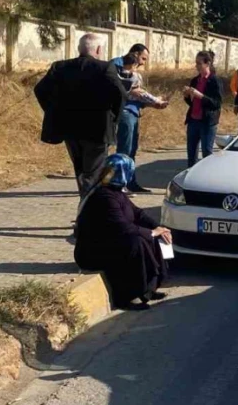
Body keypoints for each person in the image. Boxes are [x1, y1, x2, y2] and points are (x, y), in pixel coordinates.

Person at [35, 33, 126, 200]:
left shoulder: (60, 67)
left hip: (70, 130)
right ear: (98, 49)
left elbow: (40, 90)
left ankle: (86, 211)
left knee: (81, 172)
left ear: (79, 48)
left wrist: (53, 112)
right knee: (93, 175)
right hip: (97, 131)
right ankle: (88, 215)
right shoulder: (105, 68)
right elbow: (120, 95)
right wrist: (114, 119)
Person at [74, 154, 170, 311]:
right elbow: (122, 228)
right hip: (92, 252)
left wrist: (160, 228)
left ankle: (147, 290)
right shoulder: (104, 196)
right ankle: (124, 298)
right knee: (136, 242)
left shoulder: (116, 192)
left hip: (109, 242)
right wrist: (151, 232)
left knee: (147, 238)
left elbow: (138, 214)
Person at [114, 54, 167, 193]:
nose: (142, 64)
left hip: (133, 113)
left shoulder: (122, 72)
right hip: (126, 114)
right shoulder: (125, 74)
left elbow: (137, 98)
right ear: (133, 62)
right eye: (141, 60)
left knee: (130, 150)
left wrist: (153, 103)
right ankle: (120, 184)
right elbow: (138, 93)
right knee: (124, 151)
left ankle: (129, 182)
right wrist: (156, 100)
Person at [184, 50, 223, 167]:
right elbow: (192, 103)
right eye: (196, 63)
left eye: (199, 63)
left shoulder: (215, 81)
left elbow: (217, 103)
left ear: (208, 64)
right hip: (193, 120)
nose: (197, 66)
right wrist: (187, 96)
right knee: (191, 154)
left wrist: (199, 95)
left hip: (207, 122)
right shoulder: (195, 80)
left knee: (207, 153)